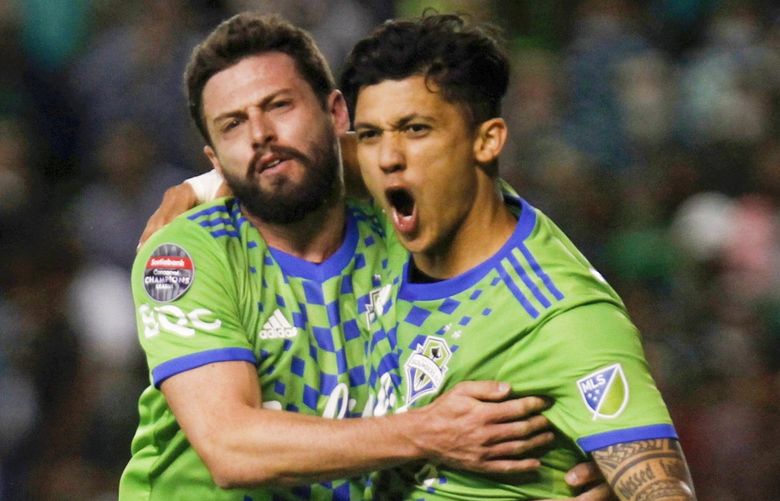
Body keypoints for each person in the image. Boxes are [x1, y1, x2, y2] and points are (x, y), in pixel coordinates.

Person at [120, 13, 569, 501]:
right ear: (214, 157)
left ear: (337, 113)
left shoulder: (409, 228)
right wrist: (428, 432)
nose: (260, 133)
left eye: (279, 105)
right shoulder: (185, 254)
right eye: (233, 125)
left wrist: (578, 468)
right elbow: (232, 449)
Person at [339, 13, 696, 500]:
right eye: (370, 135)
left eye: (416, 129)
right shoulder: (389, 219)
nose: (387, 157)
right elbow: (291, 156)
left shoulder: (559, 317)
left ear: (487, 141)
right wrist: (205, 186)